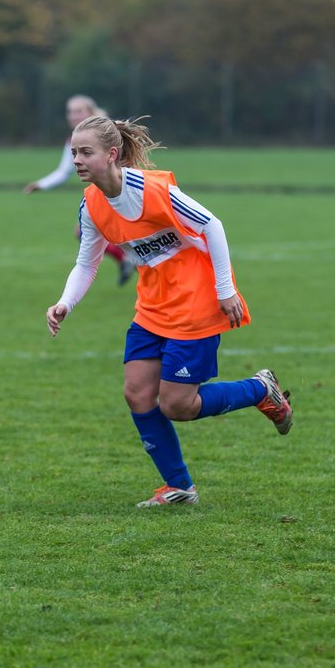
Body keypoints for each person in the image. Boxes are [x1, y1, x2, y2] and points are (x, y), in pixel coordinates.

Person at [44, 115, 293, 507]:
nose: (76, 159)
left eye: (85, 152)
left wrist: (225, 289)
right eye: (74, 152)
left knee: (177, 405)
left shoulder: (152, 190)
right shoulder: (91, 204)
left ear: (111, 155)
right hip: (152, 303)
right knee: (138, 394)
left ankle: (261, 390)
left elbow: (212, 225)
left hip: (196, 298)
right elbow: (87, 263)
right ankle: (179, 486)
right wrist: (65, 302)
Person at [24, 94, 136, 287]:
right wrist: (41, 184)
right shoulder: (73, 140)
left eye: (78, 111)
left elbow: (128, 160)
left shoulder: (107, 132)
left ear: (90, 112)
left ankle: (138, 263)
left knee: (137, 234)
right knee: (85, 232)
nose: (73, 115)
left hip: (123, 190)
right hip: (102, 192)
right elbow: (64, 171)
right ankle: (130, 261)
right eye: (70, 112)